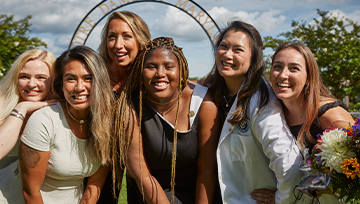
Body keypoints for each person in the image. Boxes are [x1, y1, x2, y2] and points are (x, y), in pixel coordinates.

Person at [202, 20, 302, 203]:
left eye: (238, 50)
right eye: (223, 47)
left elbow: (289, 164)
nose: (227, 54)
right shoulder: (211, 90)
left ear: (254, 58)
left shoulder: (261, 101)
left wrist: (281, 199)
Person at [111, 37, 219, 203]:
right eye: (151, 67)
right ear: (141, 70)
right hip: (150, 196)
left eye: (169, 67)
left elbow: (207, 170)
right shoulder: (129, 108)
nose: (160, 74)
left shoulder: (203, 102)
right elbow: (143, 176)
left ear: (181, 71)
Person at [251, 42, 355, 203]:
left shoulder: (329, 115)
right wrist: (281, 196)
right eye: (277, 66)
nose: (283, 75)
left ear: (308, 78)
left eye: (294, 68)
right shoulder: (275, 114)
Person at [19, 45, 114, 203]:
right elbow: (30, 191)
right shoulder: (44, 120)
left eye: (88, 78)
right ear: (61, 85)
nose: (79, 87)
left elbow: (95, 183)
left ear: (100, 82)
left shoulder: (107, 122)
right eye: (71, 79)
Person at [95, 10, 151, 203]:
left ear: (141, 40)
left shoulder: (147, 79)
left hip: (137, 164)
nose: (118, 45)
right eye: (112, 37)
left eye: (127, 36)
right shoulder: (93, 76)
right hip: (91, 165)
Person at [0, 49, 56, 204]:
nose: (32, 84)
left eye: (41, 78)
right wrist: (22, 108)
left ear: (53, 80)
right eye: (24, 76)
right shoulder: (1, 103)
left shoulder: (58, 110)